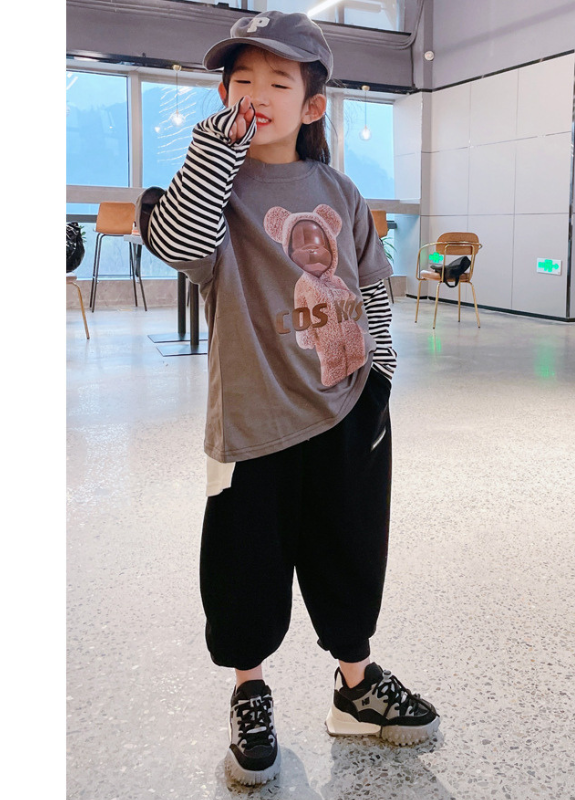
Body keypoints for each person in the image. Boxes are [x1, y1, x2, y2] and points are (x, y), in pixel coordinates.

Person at [136, 10, 439, 787]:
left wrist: (380, 378)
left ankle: (355, 686)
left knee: (350, 552)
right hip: (254, 422)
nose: (257, 94)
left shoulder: (340, 191)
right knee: (246, 566)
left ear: (313, 105)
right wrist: (216, 149)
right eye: (242, 80)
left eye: (278, 81)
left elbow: (372, 285)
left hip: (347, 410)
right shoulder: (216, 192)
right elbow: (179, 245)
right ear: (223, 97)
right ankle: (250, 691)